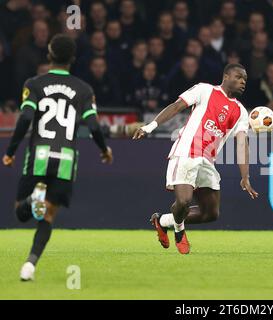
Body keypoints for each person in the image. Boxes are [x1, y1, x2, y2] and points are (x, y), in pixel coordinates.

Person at [2, 34, 113, 281]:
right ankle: (29, 266)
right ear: (73, 59)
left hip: (39, 154)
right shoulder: (84, 89)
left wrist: (10, 152)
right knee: (48, 215)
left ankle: (33, 197)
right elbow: (94, 126)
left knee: (21, 213)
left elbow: (26, 118)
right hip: (65, 159)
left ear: (49, 55)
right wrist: (104, 150)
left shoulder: (34, 84)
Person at [133, 63, 258, 255]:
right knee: (183, 201)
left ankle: (163, 220)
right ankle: (179, 231)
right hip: (186, 152)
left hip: (208, 161)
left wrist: (245, 176)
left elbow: (242, 143)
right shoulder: (204, 90)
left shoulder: (241, 111)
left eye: (245, 80)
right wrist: (149, 127)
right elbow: (176, 107)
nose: (242, 82)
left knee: (211, 213)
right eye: (238, 77)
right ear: (226, 76)